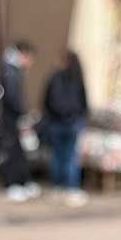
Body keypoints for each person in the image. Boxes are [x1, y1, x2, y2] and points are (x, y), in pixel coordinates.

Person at [42, 51, 90, 206]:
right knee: (70, 156)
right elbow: (84, 102)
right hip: (72, 122)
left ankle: (58, 186)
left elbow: (47, 100)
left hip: (56, 123)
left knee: (57, 156)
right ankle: (71, 188)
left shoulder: (54, 77)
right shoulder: (77, 78)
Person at [0, 40, 37, 202]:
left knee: (18, 151)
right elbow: (13, 97)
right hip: (11, 119)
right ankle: (12, 183)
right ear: (24, 54)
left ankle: (21, 182)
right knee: (13, 151)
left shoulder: (11, 69)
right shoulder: (10, 70)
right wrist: (23, 113)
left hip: (14, 118)